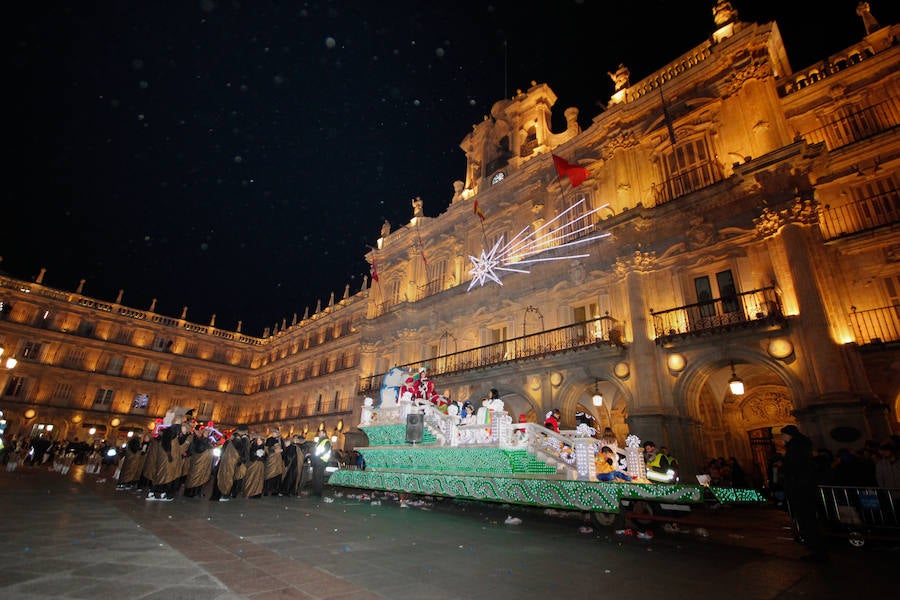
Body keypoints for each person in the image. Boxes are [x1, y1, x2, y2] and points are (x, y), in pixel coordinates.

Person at [780, 424, 827, 562]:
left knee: (807, 520)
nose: (782, 438)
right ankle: (817, 548)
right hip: (806, 488)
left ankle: (816, 550)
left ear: (789, 435)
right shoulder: (803, 446)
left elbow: (793, 467)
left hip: (800, 489)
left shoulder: (794, 449)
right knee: (810, 519)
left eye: (783, 435)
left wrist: (784, 468)